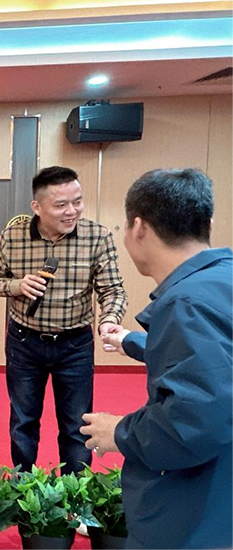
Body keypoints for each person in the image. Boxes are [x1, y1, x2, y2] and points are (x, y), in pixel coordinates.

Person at [80, 168, 232, 549]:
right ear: (208, 223)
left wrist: (119, 432)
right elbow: (218, 360)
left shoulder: (186, 302)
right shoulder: (219, 280)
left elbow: (197, 418)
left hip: (199, 515)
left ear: (139, 228)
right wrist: (132, 341)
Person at [0, 166, 127, 474]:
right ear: (37, 206)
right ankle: (23, 486)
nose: (72, 211)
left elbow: (112, 289)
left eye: (77, 201)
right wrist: (16, 285)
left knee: (77, 425)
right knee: (23, 421)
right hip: (24, 342)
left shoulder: (97, 237)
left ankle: (74, 493)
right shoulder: (13, 236)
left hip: (75, 345)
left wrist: (109, 319)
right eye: (61, 204)